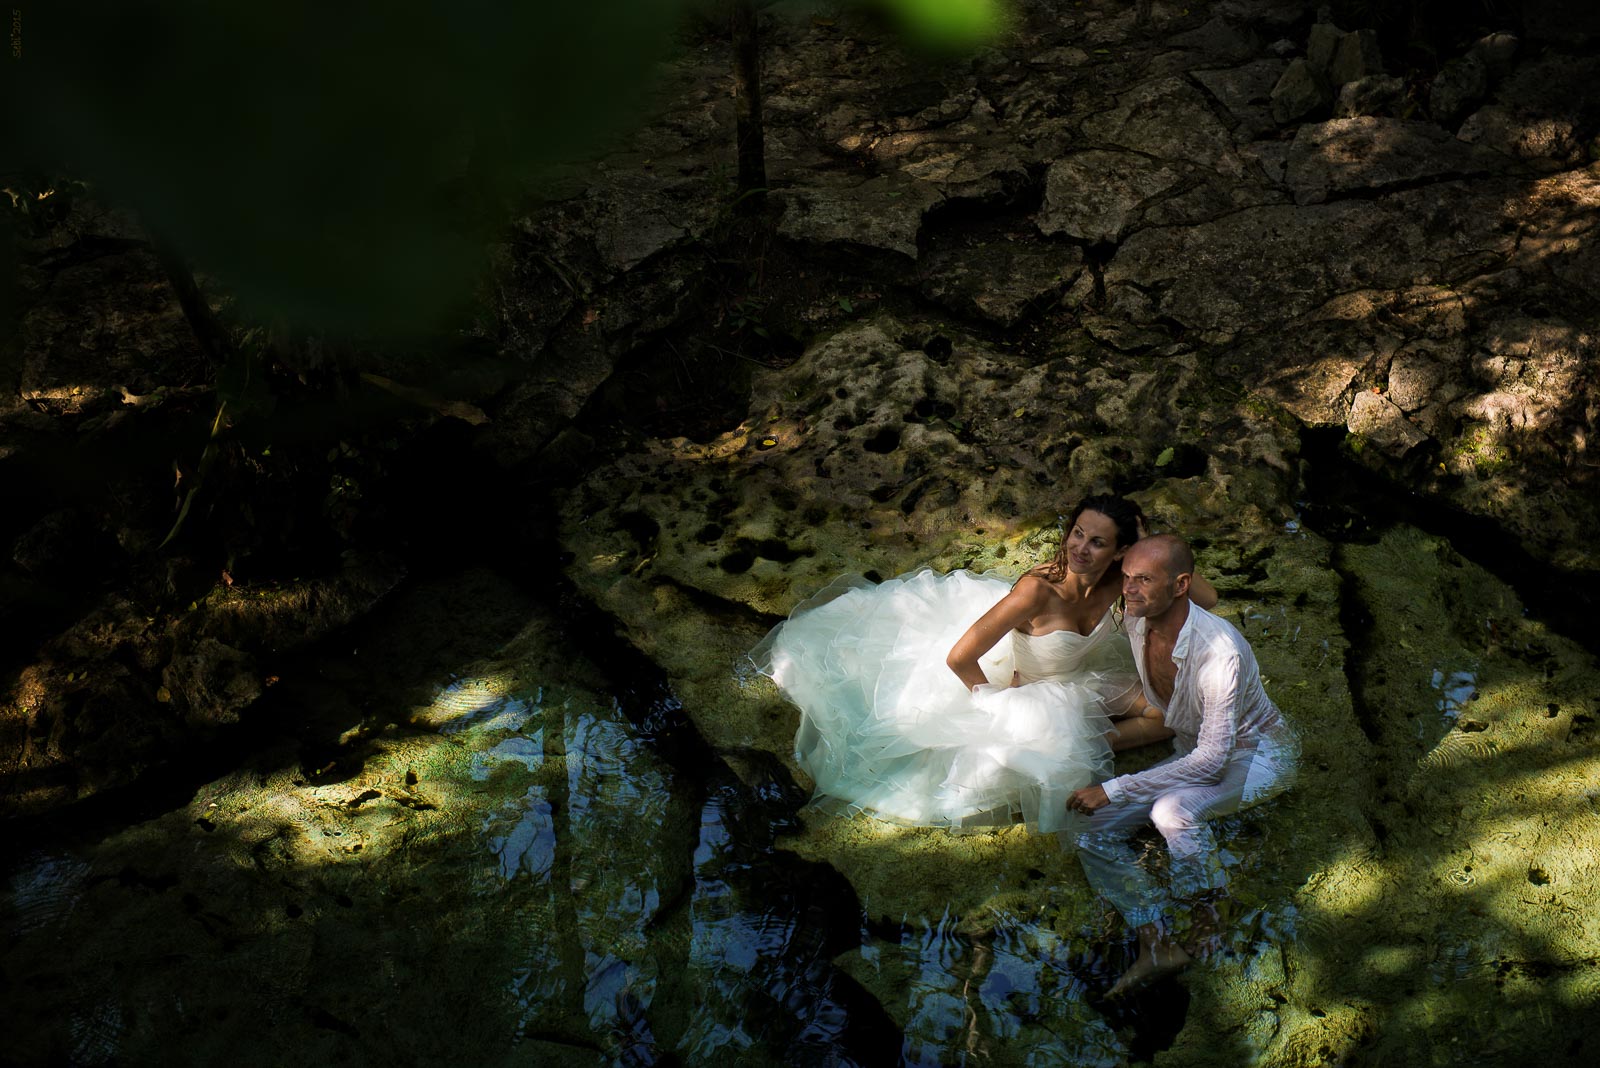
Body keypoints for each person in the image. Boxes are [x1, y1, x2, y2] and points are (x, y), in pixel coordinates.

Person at [749, 495, 1217, 833]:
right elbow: (959, 657)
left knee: (1172, 714)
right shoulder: (1036, 592)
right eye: (1077, 533)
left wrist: (1149, 547)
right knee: (1040, 765)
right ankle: (1085, 741)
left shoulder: (1120, 578)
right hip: (1022, 686)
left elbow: (1206, 597)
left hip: (1078, 680)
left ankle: (1096, 739)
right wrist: (996, 702)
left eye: (1097, 542)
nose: (1080, 548)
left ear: (1118, 552)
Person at [1067, 534, 1298, 996]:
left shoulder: (1220, 653)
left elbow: (1213, 760)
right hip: (1191, 748)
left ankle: (1211, 916)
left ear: (1181, 585)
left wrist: (1115, 788)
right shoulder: (1137, 619)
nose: (1128, 589)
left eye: (1143, 580)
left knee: (1171, 811)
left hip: (1257, 757)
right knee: (1086, 831)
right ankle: (1155, 939)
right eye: (1127, 578)